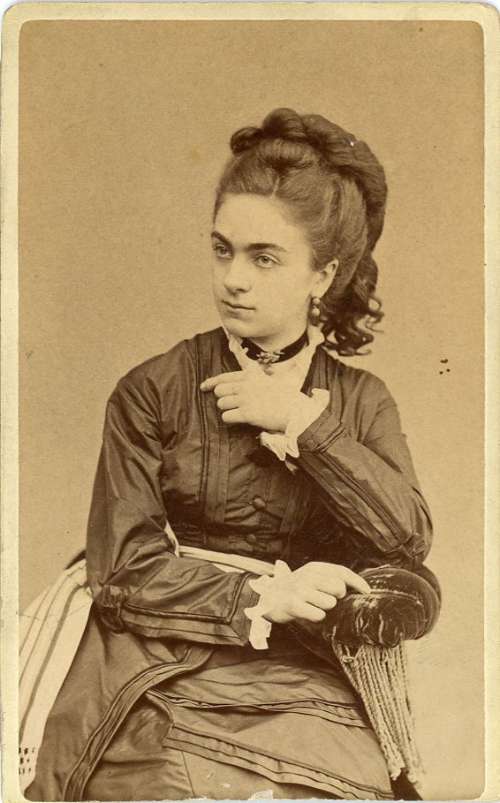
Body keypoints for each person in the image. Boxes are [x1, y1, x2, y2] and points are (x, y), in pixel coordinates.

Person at [24, 108, 438, 801]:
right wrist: (264, 595)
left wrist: (304, 424)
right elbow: (122, 571)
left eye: (263, 257)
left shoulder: (361, 402)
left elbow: (406, 539)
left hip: (306, 666)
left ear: (322, 274)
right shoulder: (153, 389)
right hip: (156, 657)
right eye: (223, 251)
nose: (234, 279)